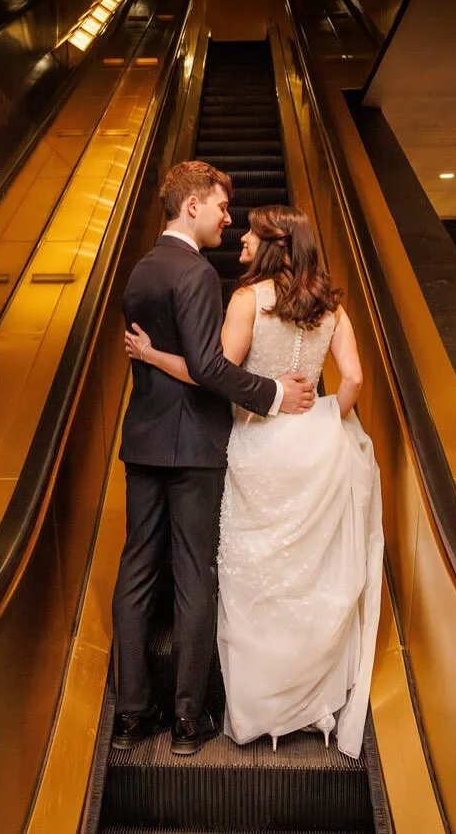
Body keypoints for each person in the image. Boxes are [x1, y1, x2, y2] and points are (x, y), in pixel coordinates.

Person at [125, 204, 383, 759]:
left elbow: (209, 372)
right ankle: (310, 702)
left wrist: (148, 353)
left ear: (275, 245)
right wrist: (325, 418)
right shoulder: (333, 308)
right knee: (308, 578)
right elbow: (355, 377)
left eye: (252, 232)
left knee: (253, 581)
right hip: (314, 445)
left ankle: (255, 706)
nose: (240, 235)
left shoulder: (247, 301)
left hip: (256, 442)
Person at [111, 163, 315, 758]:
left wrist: (155, 360)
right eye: (222, 207)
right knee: (196, 575)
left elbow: (170, 357)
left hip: (143, 441)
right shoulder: (197, 273)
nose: (228, 219)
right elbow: (207, 366)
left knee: (137, 571)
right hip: (195, 445)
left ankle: (129, 714)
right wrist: (275, 394)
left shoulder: (142, 270)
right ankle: (186, 718)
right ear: (192, 205)